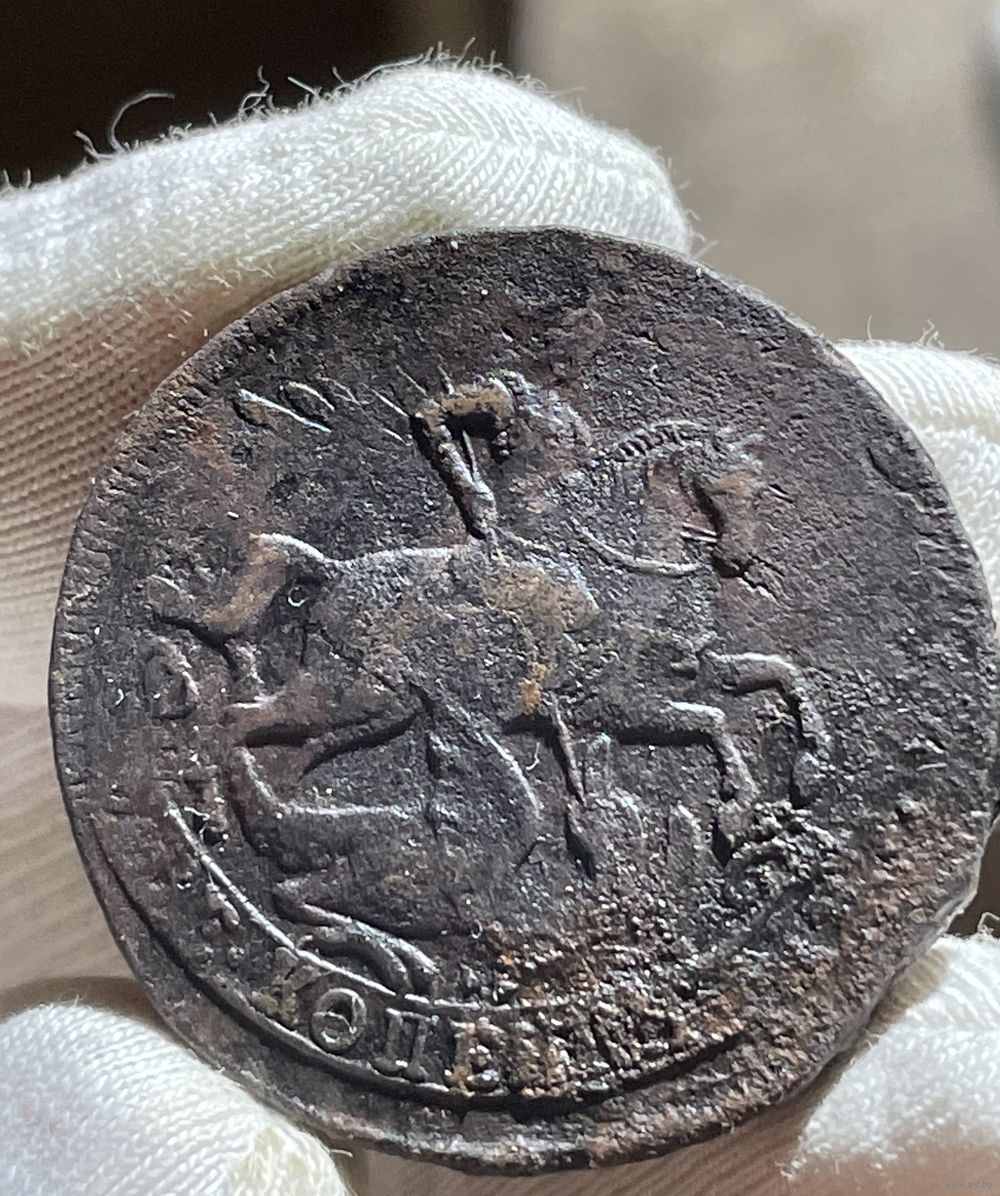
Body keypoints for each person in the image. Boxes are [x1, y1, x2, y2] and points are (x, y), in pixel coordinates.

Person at [2, 58, 1000, 1196]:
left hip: (560, 562)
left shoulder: (587, 439)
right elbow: (438, 415)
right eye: (551, 345)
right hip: (492, 557)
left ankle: (588, 761)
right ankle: (330, 742)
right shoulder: (504, 406)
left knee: (589, 615)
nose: (560, 363)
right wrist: (465, 484)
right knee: (528, 618)